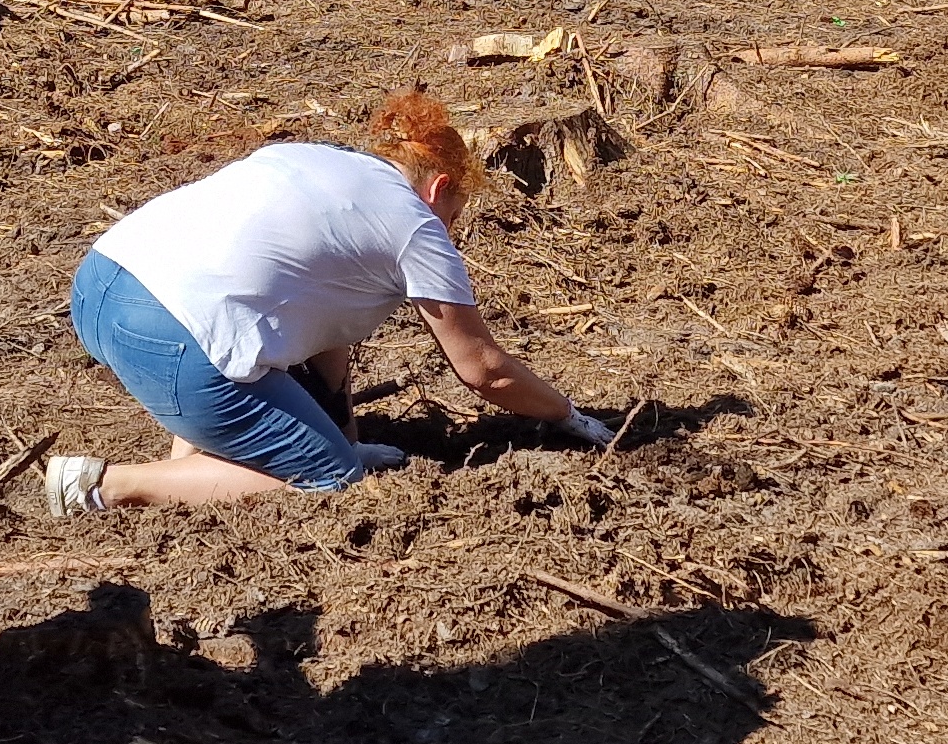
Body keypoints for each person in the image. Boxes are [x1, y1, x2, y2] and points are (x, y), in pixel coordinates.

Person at [43, 89, 614, 506]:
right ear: (439, 188)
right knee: (331, 480)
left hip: (100, 283)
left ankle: (194, 470)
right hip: (173, 339)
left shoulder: (314, 158)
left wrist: (347, 439)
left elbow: (324, 330)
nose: (450, 230)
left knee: (235, 330)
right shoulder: (414, 224)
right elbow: (483, 369)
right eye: (454, 215)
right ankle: (104, 484)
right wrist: (568, 415)